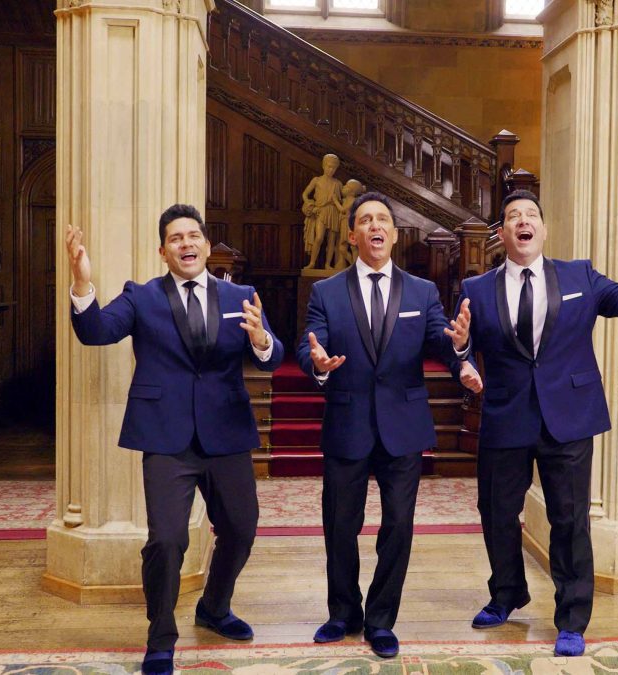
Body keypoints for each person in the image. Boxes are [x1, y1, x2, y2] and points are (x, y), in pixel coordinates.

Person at [454, 189, 618, 657]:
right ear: (502, 234)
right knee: (497, 513)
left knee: (569, 520)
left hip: (569, 415)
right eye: (512, 217)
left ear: (542, 230)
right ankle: (507, 594)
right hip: (506, 414)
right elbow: (458, 344)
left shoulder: (579, 275)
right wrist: (463, 358)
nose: (523, 222)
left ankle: (571, 618)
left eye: (531, 215)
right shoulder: (476, 289)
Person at [65, 204, 283, 675]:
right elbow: (96, 331)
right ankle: (160, 636)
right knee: (166, 541)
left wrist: (263, 339)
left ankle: (215, 607)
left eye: (193, 236)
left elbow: (271, 356)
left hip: (225, 433)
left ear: (206, 245)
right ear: (162, 251)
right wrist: (83, 283)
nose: (186, 244)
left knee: (241, 530)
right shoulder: (141, 297)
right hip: (166, 438)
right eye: (176, 238)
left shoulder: (240, 295)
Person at [296, 192, 483, 658]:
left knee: (398, 526)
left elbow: (443, 342)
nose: (375, 226)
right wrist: (317, 362)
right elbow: (309, 344)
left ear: (395, 235)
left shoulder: (421, 291)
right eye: (365, 220)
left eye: (383, 219)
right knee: (340, 524)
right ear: (353, 234)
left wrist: (459, 348)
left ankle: (381, 619)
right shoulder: (327, 291)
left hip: (403, 425)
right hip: (347, 421)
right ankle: (343, 613)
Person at [302, 153, 344, 269]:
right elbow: (305, 194)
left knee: (332, 240)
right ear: (323, 166)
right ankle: (312, 263)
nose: (331, 170)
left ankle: (327, 264)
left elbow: (344, 197)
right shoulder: (317, 180)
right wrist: (310, 204)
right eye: (329, 166)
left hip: (333, 212)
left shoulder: (338, 183)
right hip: (320, 211)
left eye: (334, 168)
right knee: (319, 237)